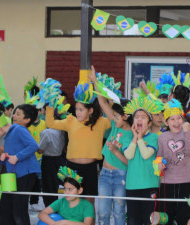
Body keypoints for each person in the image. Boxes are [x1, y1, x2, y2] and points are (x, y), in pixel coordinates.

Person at [46, 73, 111, 204]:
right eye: (76, 109)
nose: (77, 112)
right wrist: (50, 104)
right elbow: (50, 123)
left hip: (91, 167)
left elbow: (113, 116)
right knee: (72, 201)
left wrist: (96, 83)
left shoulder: (101, 122)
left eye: (81, 110)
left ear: (91, 110)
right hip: (71, 167)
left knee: (89, 201)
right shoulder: (71, 121)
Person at [88, 69, 131, 225]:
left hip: (121, 176)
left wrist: (114, 150)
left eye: (117, 115)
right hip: (105, 174)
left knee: (119, 213)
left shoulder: (133, 134)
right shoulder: (115, 124)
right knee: (103, 213)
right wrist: (95, 81)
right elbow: (102, 102)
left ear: (126, 116)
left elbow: (129, 162)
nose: (113, 117)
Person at [0, 104, 39, 225]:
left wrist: (17, 157)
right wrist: (3, 158)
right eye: (14, 113)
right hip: (11, 177)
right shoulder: (10, 134)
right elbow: (11, 157)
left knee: (19, 212)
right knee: (4, 210)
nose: (14, 116)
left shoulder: (19, 129)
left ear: (27, 120)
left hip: (25, 175)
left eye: (18, 114)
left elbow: (34, 146)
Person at [122, 97, 161, 225]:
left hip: (150, 185)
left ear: (149, 123)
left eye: (143, 117)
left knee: (149, 219)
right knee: (133, 220)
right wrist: (135, 138)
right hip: (132, 185)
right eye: (137, 117)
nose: (139, 119)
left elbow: (146, 154)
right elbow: (128, 155)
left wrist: (139, 138)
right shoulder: (127, 137)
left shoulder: (154, 137)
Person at [157, 99, 190, 225]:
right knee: (167, 216)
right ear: (166, 122)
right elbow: (158, 157)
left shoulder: (189, 133)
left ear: (183, 119)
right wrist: (159, 165)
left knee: (184, 216)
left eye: (178, 118)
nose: (176, 122)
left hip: (186, 181)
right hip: (168, 182)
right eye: (172, 119)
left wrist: (187, 132)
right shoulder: (162, 137)